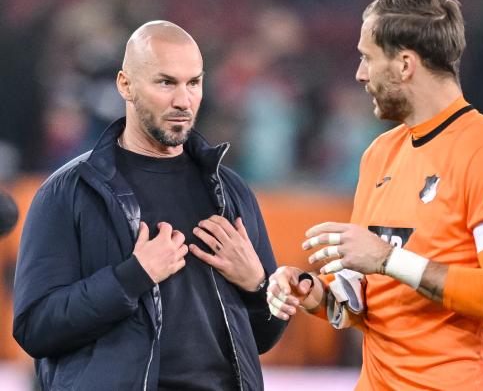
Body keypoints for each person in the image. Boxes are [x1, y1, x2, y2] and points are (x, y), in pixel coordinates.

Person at [267, 0, 483, 390]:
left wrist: (388, 259)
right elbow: (374, 296)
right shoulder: (380, 153)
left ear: (405, 64)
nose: (360, 74)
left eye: (367, 57)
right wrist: (318, 296)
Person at [13, 21, 286, 391]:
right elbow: (35, 328)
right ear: (125, 84)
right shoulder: (69, 192)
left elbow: (263, 338)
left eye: (194, 83)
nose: (183, 100)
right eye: (165, 82)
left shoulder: (230, 191)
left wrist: (258, 286)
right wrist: (133, 277)